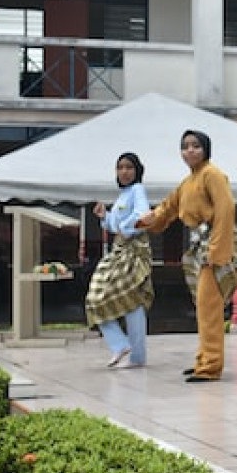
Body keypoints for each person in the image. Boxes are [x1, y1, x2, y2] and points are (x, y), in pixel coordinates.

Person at [138, 130, 237, 383]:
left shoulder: (213, 175)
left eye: (196, 146)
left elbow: (225, 209)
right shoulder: (187, 182)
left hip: (217, 243)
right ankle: (204, 360)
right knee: (204, 305)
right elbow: (168, 208)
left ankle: (210, 366)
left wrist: (216, 250)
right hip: (201, 245)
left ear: (206, 149)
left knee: (209, 305)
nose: (190, 151)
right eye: (185, 146)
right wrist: (147, 220)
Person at [85, 152, 154, 368]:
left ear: (137, 171)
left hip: (133, 253)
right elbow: (115, 226)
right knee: (96, 299)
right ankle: (121, 346)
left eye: (129, 167)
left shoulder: (137, 190)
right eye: (120, 167)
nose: (124, 172)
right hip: (118, 252)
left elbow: (144, 215)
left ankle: (136, 355)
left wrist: (126, 229)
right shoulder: (123, 195)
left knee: (132, 301)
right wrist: (104, 217)